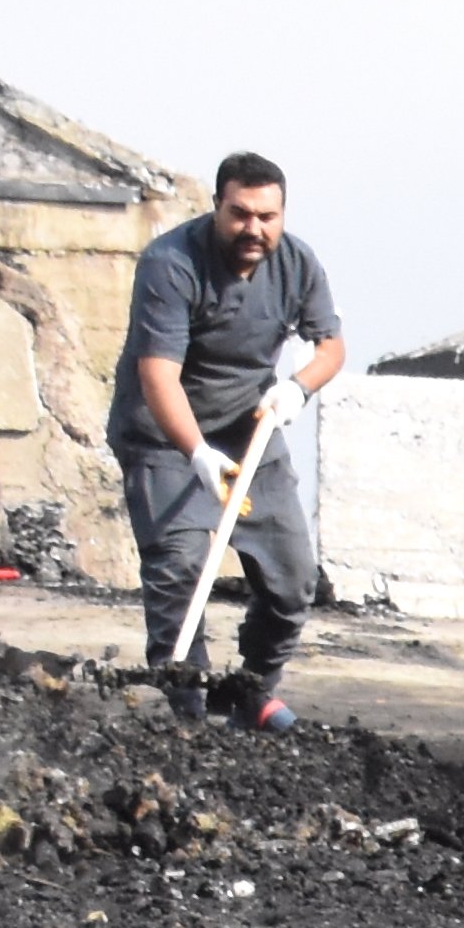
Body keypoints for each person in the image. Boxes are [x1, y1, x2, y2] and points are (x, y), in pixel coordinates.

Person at [113, 152, 348, 725]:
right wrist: (195, 453)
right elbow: (158, 374)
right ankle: (190, 710)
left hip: (252, 432)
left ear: (282, 214)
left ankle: (249, 691)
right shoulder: (171, 263)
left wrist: (297, 389)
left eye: (268, 216)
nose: (255, 229)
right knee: (180, 570)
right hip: (166, 439)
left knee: (294, 581)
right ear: (217, 207)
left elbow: (331, 347)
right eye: (240, 214)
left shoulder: (296, 262)